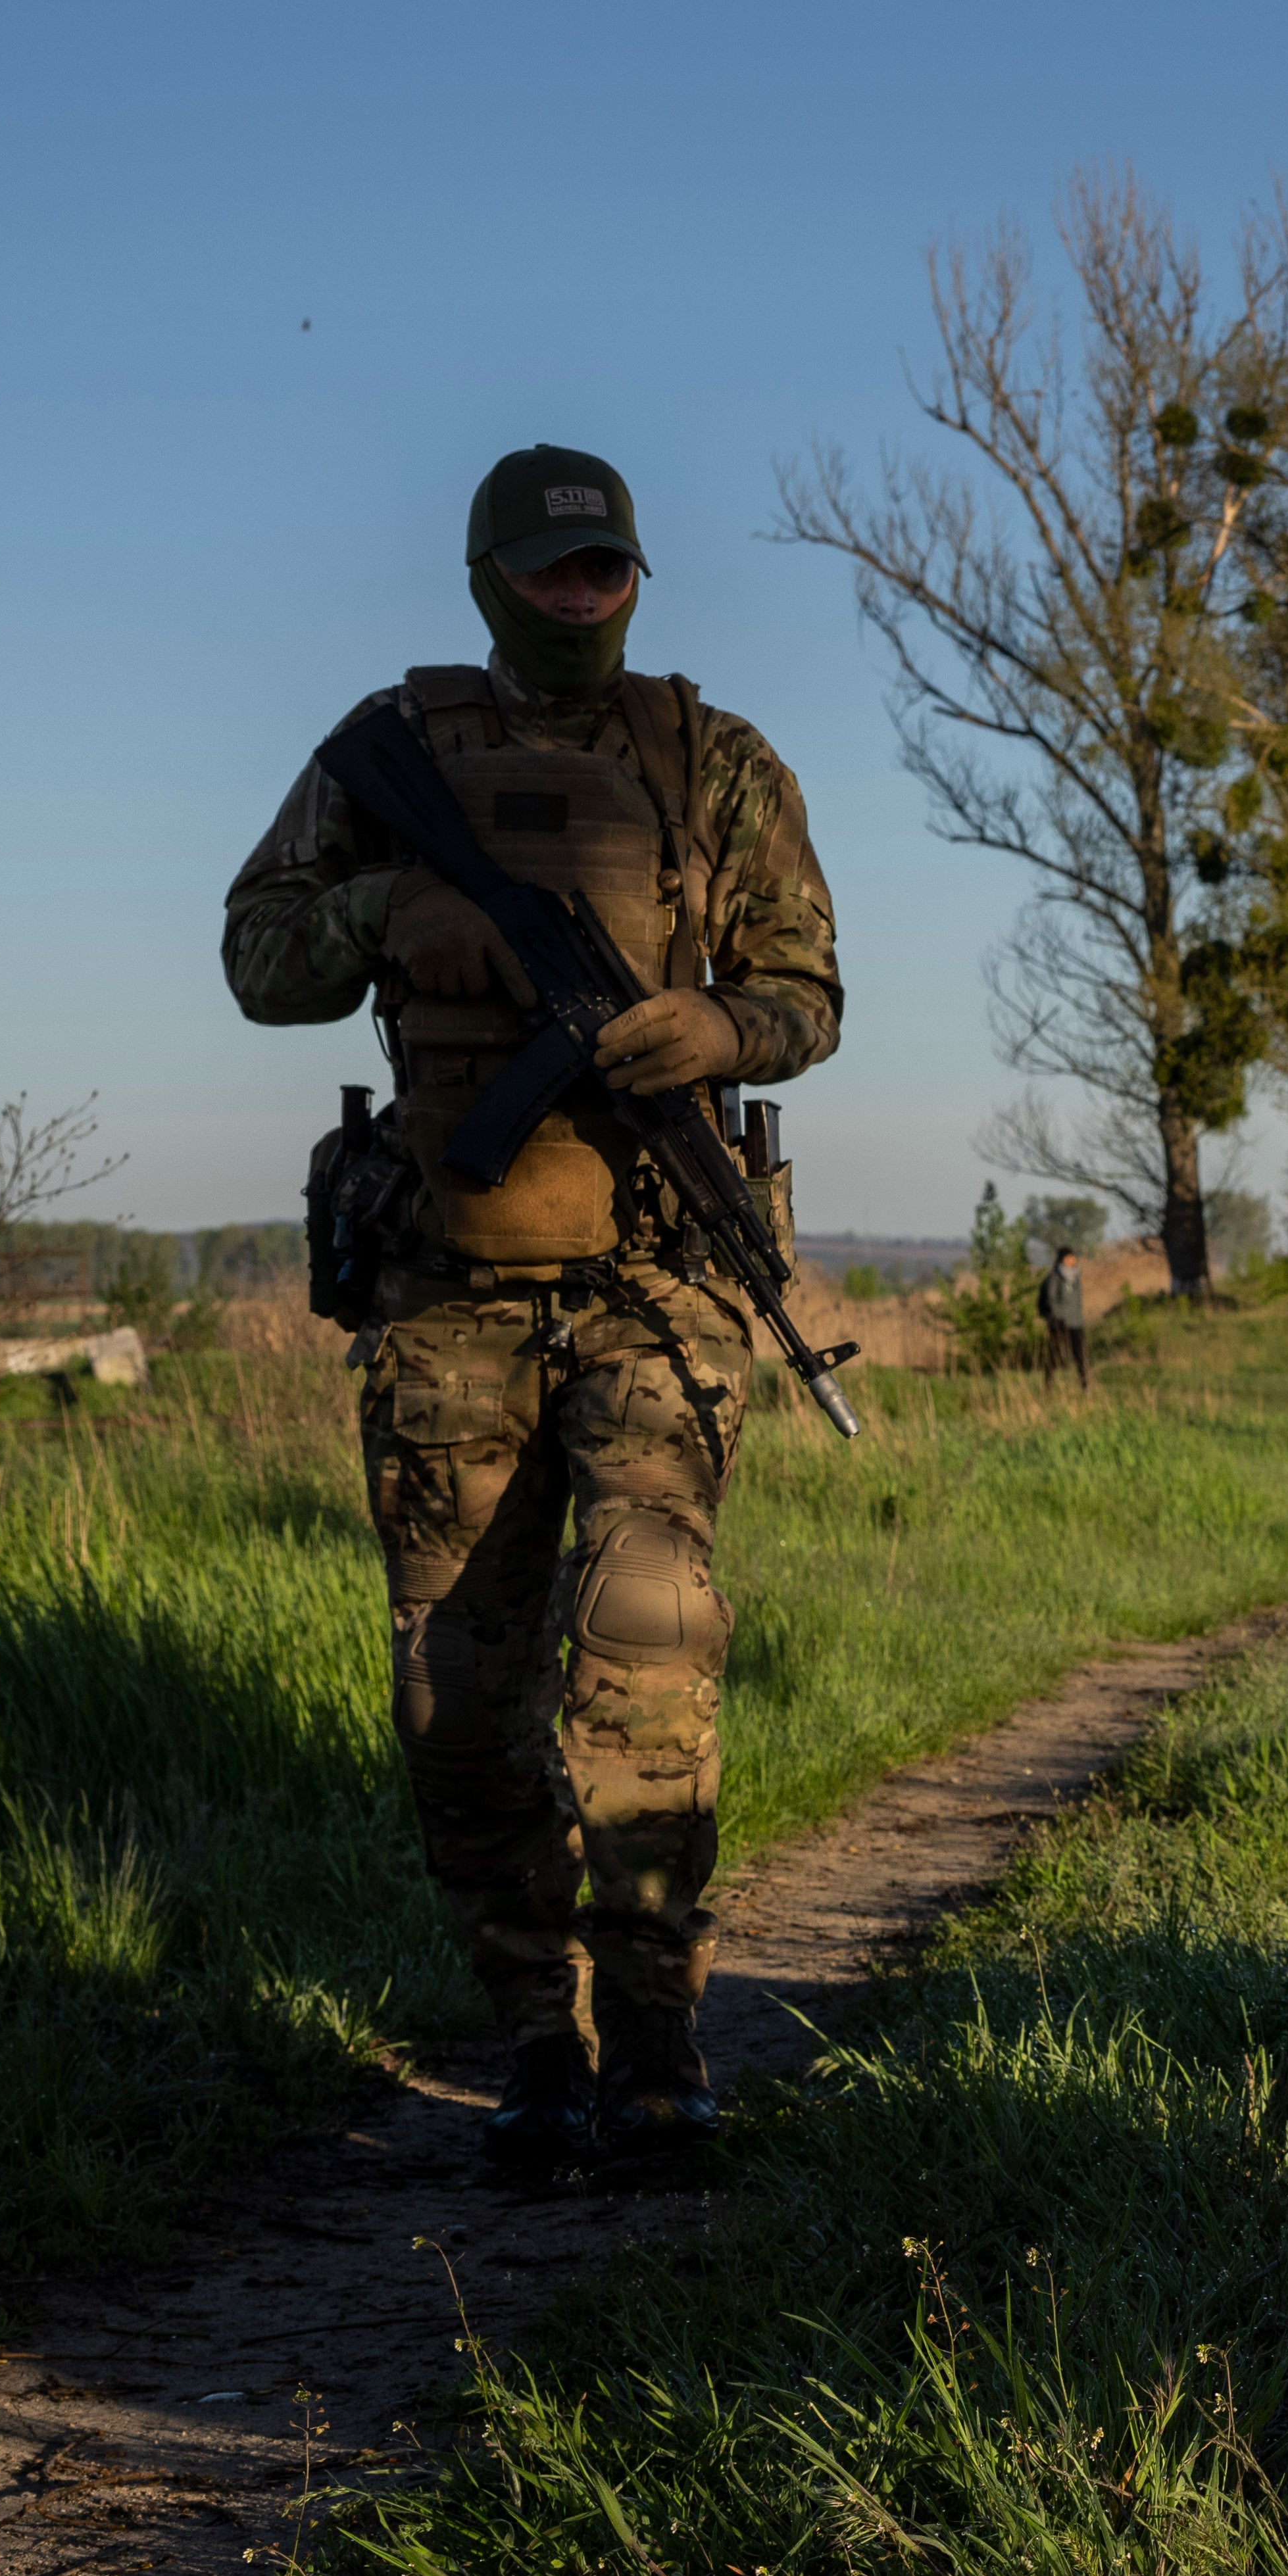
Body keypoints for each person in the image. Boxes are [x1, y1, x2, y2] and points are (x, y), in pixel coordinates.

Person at [220, 445, 843, 2188]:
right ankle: (532, 2048)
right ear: (493, 576)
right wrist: (392, 916)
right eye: (556, 570)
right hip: (447, 1295)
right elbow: (259, 958)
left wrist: (720, 1036)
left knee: (650, 1653)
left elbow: (810, 989)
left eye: (610, 569)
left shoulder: (716, 761)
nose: (586, 595)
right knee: (458, 1695)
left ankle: (656, 2052)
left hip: (658, 1277)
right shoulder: (391, 754)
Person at [1037, 1241, 1097, 1389]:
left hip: (1076, 1322)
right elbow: (1051, 1301)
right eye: (1070, 1257)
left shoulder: (1076, 1278)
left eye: (1073, 1257)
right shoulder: (1054, 1278)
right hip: (1060, 1323)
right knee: (1055, 1356)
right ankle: (1048, 1385)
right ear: (1062, 1259)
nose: (1073, 1260)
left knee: (1081, 1355)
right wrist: (1059, 1317)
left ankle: (1085, 1386)